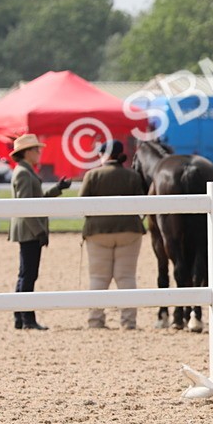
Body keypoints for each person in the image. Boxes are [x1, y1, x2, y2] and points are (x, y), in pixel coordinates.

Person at [79, 140, 147, 330]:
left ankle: (95, 320)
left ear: (105, 155)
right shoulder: (132, 176)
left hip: (98, 232)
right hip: (129, 231)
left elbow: (82, 205)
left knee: (98, 278)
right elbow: (141, 203)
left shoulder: (92, 175)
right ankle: (128, 321)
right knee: (126, 277)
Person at [8, 133, 70, 330]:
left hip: (28, 229)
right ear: (26, 153)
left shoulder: (25, 171)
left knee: (26, 273)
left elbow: (37, 198)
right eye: (36, 149)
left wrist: (57, 189)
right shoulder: (24, 173)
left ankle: (21, 316)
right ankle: (27, 318)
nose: (39, 152)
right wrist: (39, 231)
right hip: (29, 230)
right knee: (28, 275)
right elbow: (26, 206)